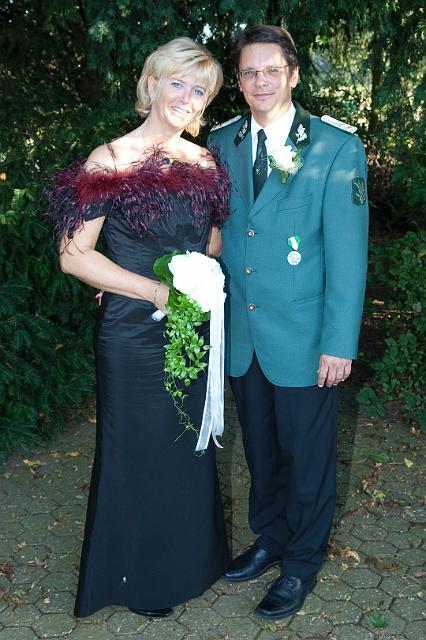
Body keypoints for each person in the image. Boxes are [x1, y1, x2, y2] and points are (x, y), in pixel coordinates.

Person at [48, 37, 230, 619]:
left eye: (199, 89)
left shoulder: (204, 163)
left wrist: (200, 276)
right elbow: (74, 256)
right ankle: (138, 579)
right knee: (137, 447)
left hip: (191, 326)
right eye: (177, 82)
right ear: (150, 84)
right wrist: (152, 289)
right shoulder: (109, 160)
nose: (186, 97)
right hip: (132, 331)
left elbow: (212, 240)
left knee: (186, 445)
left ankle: (192, 563)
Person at [208, 25, 369, 620]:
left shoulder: (334, 147)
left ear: (293, 74)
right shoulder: (221, 144)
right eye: (249, 72)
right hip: (244, 336)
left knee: (308, 458)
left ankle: (301, 563)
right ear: (239, 80)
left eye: (271, 70)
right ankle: (271, 538)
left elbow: (348, 257)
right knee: (260, 450)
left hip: (305, 339)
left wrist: (339, 343)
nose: (260, 81)